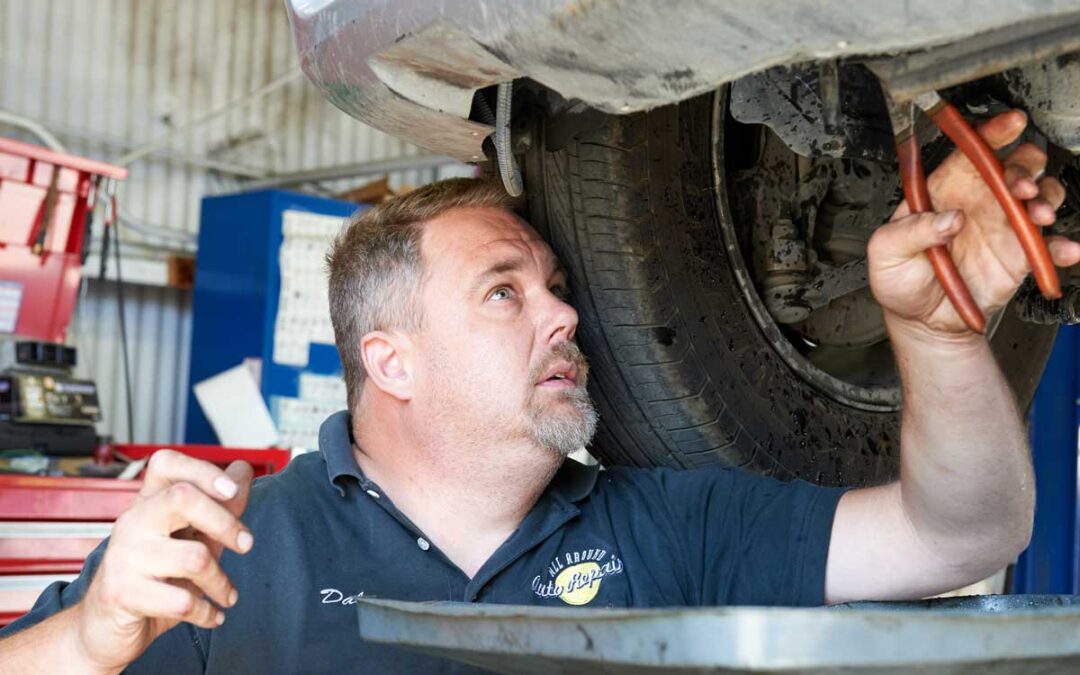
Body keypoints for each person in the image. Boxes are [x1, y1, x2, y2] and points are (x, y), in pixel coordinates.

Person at [0, 110, 1074, 674]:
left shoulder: (667, 522)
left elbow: (964, 537)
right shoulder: (236, 554)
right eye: (503, 293)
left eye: (555, 287)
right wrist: (91, 638)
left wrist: (934, 335)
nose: (564, 316)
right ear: (393, 362)